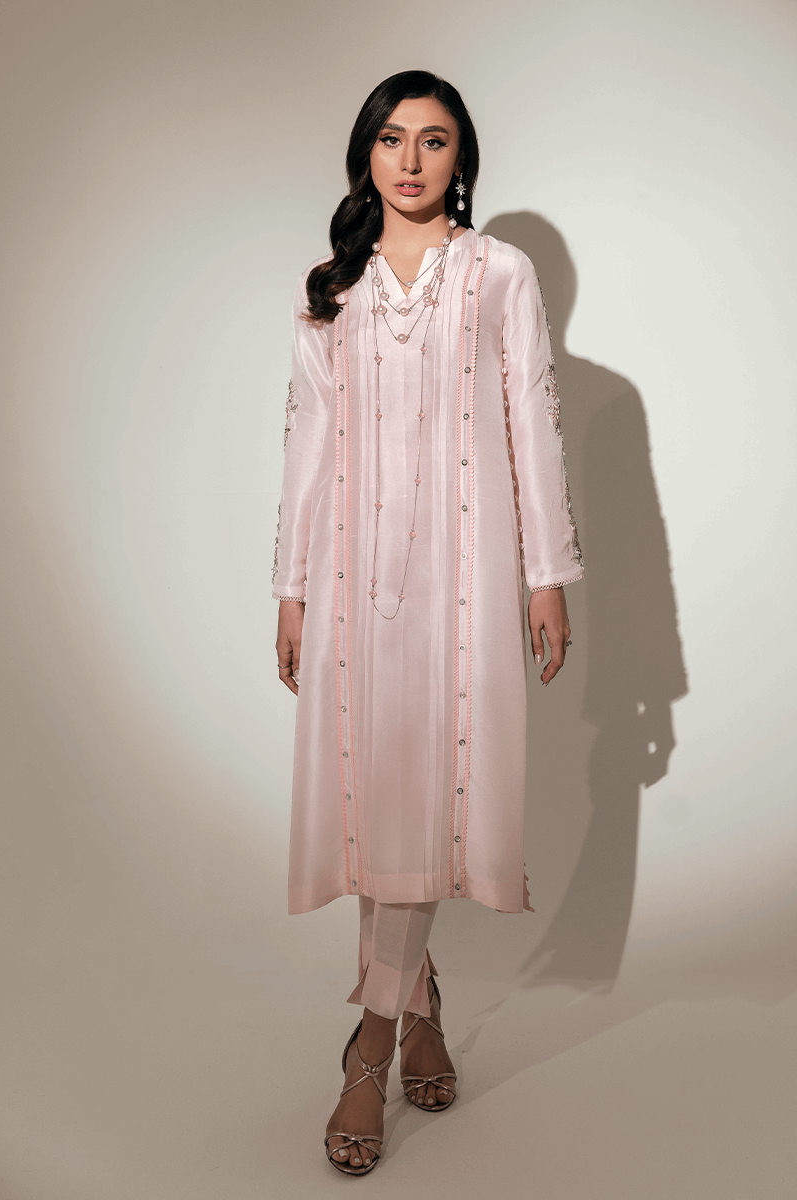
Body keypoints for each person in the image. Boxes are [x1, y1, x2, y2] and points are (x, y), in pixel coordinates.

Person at [272, 70, 583, 1176]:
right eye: (391, 139)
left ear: (462, 159)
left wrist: (547, 573)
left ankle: (369, 1044)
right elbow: (308, 442)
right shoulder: (331, 287)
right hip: (352, 576)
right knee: (375, 799)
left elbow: (531, 416)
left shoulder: (498, 273)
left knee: (426, 794)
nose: (410, 161)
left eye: (434, 140)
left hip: (466, 576)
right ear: (365, 154)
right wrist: (290, 586)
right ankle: (420, 1003)